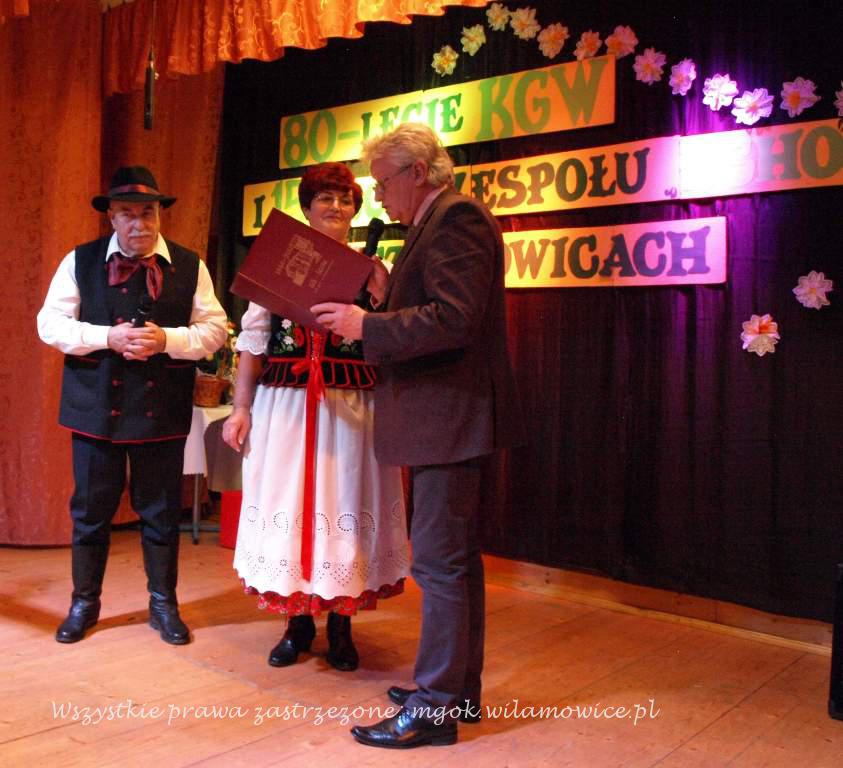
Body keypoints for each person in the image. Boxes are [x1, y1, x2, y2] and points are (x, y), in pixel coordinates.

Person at [312, 123, 523, 748]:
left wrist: (365, 325)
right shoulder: (434, 224)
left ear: (418, 173)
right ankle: (457, 691)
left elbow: (454, 319)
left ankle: (435, 710)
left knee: (439, 564)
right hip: (444, 419)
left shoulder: (457, 219)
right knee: (452, 562)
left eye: (382, 182)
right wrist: (386, 296)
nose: (377, 196)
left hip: (450, 418)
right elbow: (436, 308)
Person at [222, 162, 409, 672]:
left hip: (350, 407)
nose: (335, 207)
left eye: (345, 199)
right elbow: (253, 345)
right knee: (292, 504)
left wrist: (383, 295)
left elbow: (390, 340)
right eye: (325, 198)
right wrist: (241, 408)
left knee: (344, 500)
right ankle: (297, 624)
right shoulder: (281, 263)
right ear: (306, 207)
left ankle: (342, 625)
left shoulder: (372, 270)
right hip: (286, 406)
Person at [37, 165, 228, 646]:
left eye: (147, 212)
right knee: (90, 513)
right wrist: (108, 337)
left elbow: (215, 331)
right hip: (95, 409)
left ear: (160, 214)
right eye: (127, 213)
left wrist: (168, 340)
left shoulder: (189, 265)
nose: (138, 223)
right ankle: (84, 604)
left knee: (161, 514)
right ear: (112, 218)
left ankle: (163, 604)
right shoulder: (79, 260)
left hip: (160, 411)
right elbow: (50, 324)